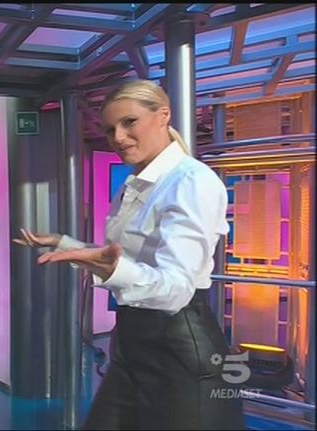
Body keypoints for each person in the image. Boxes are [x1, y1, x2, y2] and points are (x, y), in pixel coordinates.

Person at [14, 79, 245, 430]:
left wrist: (114, 270)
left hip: (180, 355)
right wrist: (64, 244)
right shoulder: (134, 184)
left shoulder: (191, 181)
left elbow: (175, 290)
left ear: (163, 115)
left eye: (129, 122)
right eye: (110, 129)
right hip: (132, 346)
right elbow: (122, 259)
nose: (118, 137)